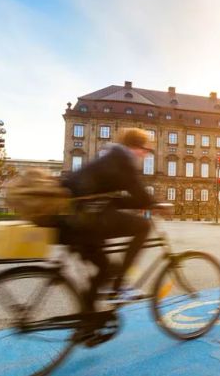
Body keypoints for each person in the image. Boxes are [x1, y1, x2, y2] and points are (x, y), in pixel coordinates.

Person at [59, 128, 155, 309]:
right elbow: (141, 196)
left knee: (104, 271)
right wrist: (154, 203)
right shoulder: (123, 159)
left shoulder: (111, 156)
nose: (145, 154)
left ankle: (87, 325)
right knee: (143, 226)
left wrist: (136, 202)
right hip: (87, 221)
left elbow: (113, 200)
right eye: (145, 149)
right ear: (135, 146)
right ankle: (120, 286)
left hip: (77, 220)